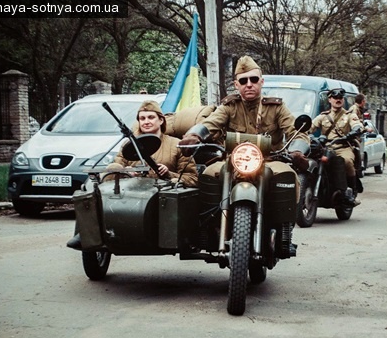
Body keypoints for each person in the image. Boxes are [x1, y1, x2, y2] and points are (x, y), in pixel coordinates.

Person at [67, 100, 197, 250]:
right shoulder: (129, 145)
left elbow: (192, 178)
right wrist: (127, 171)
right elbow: (116, 169)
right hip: (131, 195)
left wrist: (168, 174)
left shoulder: (177, 145)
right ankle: (88, 232)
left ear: (161, 120)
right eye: (142, 119)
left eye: (151, 117)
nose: (146, 122)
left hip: (162, 200)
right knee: (109, 170)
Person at [178, 55, 310, 197]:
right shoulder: (229, 106)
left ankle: (284, 219)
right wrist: (193, 135)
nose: (249, 84)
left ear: (261, 82)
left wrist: (297, 151)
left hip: (270, 160)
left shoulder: (276, 107)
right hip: (234, 161)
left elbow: (296, 131)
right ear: (236, 85)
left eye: (254, 79)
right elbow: (210, 123)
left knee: (287, 176)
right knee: (208, 175)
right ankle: (212, 218)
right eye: (243, 80)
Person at [309, 88, 364, 206]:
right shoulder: (323, 116)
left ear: (343, 100)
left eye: (340, 98)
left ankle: (350, 193)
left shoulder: (349, 115)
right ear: (330, 99)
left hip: (342, 146)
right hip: (325, 148)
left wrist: (354, 131)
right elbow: (310, 127)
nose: (337, 100)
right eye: (335, 98)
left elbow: (357, 125)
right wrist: (304, 132)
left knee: (347, 161)